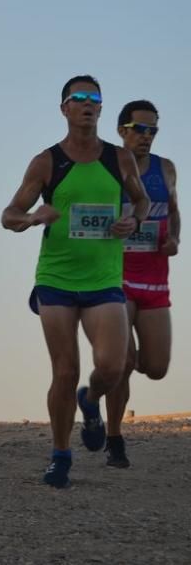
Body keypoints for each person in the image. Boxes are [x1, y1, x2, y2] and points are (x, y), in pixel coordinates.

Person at [1, 75, 149, 488]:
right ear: (64, 108)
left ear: (101, 109)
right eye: (78, 98)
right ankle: (60, 453)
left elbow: (141, 199)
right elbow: (9, 214)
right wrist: (32, 218)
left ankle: (92, 399)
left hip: (104, 278)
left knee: (113, 367)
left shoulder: (120, 159)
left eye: (94, 99)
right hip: (57, 278)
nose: (87, 104)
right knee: (65, 370)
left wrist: (133, 219)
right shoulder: (47, 162)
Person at [103, 100, 180, 467]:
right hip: (113, 275)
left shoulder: (165, 169)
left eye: (153, 130)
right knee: (122, 360)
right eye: (140, 128)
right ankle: (114, 437)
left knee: (156, 366)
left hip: (154, 277)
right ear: (122, 130)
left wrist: (174, 240)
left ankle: (110, 370)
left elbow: (174, 211)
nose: (146, 136)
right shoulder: (106, 166)